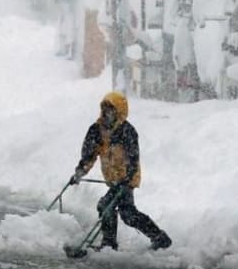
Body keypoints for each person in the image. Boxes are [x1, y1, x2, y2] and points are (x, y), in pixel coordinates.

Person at [69, 91, 171, 251]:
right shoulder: (96, 130)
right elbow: (89, 155)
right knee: (128, 215)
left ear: (119, 111)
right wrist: (79, 173)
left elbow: (133, 158)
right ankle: (159, 237)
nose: (107, 113)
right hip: (113, 180)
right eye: (105, 109)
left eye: (111, 109)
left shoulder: (127, 131)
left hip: (126, 179)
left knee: (106, 205)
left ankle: (109, 244)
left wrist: (127, 179)